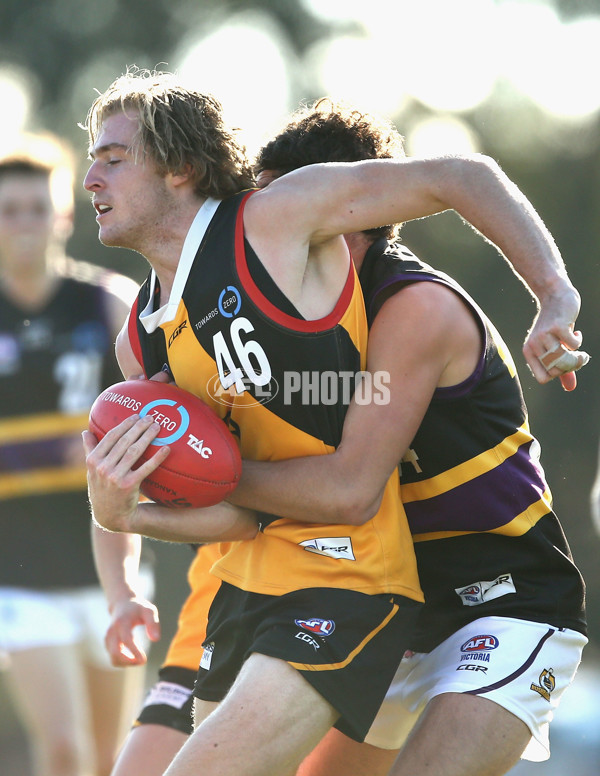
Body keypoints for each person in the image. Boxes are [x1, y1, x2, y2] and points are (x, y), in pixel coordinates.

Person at [81, 73, 586, 776]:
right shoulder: (161, 327)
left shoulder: (409, 308)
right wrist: (124, 512)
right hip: (373, 600)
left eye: (111, 157)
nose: (90, 178)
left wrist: (555, 295)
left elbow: (342, 490)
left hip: (493, 597)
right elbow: (244, 512)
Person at [0, 132, 155, 776]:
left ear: (64, 213)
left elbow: (159, 412)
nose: (25, 222)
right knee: (62, 752)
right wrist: (53, 450)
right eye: (9, 209)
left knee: (107, 757)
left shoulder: (110, 302)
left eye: (39, 206)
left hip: (108, 563)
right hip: (19, 572)